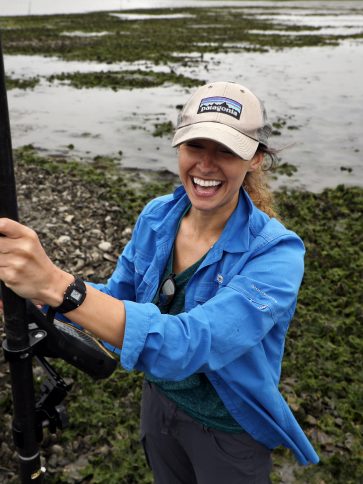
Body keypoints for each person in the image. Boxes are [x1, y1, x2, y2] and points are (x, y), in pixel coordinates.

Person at [0, 81, 319, 483]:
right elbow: (118, 296)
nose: (205, 164)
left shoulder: (276, 255)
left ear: (255, 158)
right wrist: (34, 296)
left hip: (230, 427)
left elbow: (191, 343)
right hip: (159, 404)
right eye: (195, 146)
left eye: (226, 149)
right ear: (178, 147)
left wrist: (58, 286)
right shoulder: (158, 216)